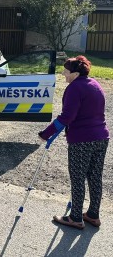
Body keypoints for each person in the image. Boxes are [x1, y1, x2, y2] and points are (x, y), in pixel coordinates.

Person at [39, 56, 109, 230]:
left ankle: (76, 217)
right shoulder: (95, 84)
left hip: (82, 140)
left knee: (78, 178)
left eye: (66, 71)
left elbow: (66, 117)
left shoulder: (74, 88)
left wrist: (45, 134)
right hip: (101, 137)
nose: (63, 73)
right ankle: (93, 214)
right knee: (94, 177)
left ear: (75, 73)